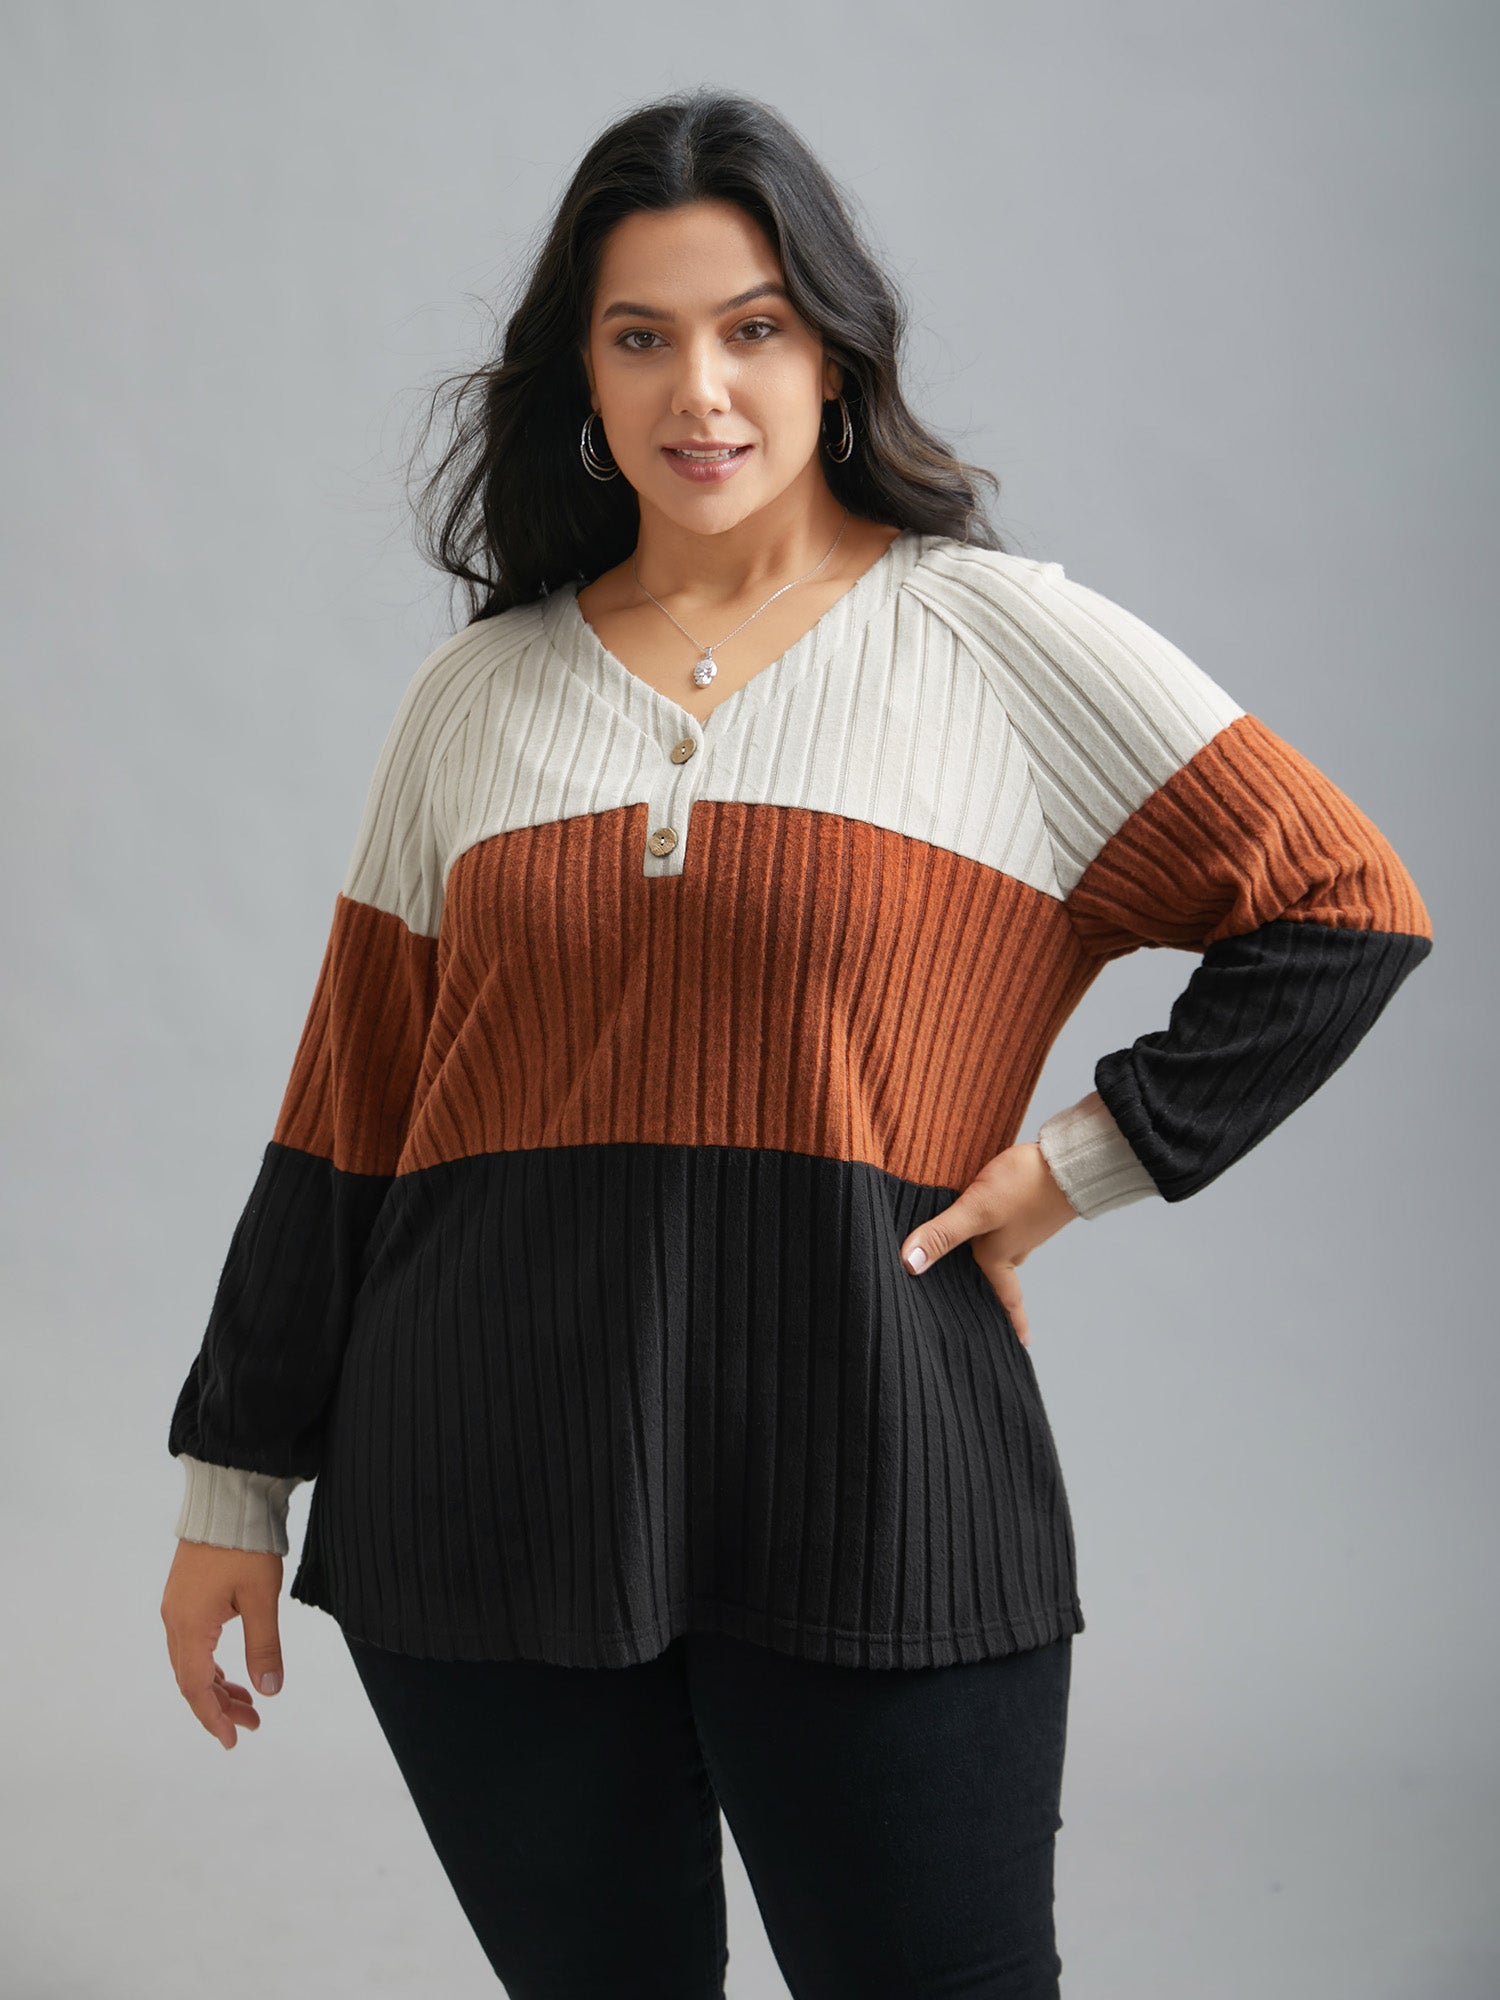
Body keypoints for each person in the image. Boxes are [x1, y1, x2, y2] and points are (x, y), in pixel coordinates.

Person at [159, 86, 1434, 2000]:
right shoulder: (475, 696)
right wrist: (230, 1493)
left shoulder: (998, 641)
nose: (703, 391)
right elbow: (348, 1109)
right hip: (479, 1490)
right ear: (580, 375)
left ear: (833, 354)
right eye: (642, 336)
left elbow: (1345, 900)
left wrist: (1076, 1167)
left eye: (753, 327)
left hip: (878, 1476)